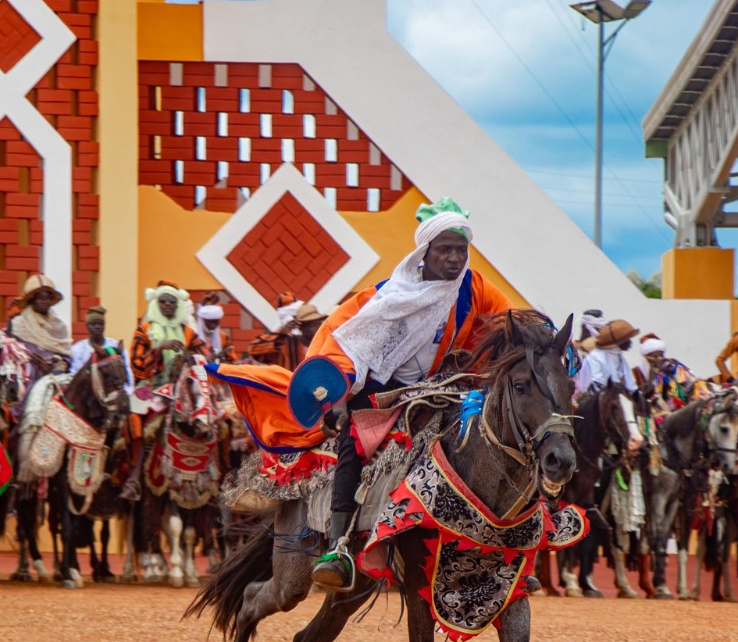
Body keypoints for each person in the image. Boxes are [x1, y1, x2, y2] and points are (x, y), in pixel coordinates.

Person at [213, 197, 514, 590]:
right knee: (355, 444)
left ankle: (493, 545)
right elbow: (342, 338)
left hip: (437, 390)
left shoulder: (474, 289)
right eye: (445, 249)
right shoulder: (387, 295)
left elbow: (509, 323)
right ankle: (338, 547)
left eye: (461, 249)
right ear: (424, 252)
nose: (455, 258)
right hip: (379, 391)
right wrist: (336, 397)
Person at [131, 284, 196, 387]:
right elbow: (136, 366)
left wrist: (190, 356)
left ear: (177, 305)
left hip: (183, 384)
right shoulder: (144, 330)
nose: (167, 304)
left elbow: (203, 355)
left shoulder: (187, 331)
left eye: (172, 301)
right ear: (156, 304)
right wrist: (159, 349)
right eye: (163, 301)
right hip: (152, 385)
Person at [9, 273, 72, 369]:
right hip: (25, 373)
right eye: (40, 298)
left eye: (48, 298)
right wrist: (28, 355)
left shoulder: (60, 327)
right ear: (32, 300)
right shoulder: (18, 324)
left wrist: (55, 364)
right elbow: (10, 350)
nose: (45, 301)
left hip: (53, 374)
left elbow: (67, 357)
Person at [70, 305, 134, 387]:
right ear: (87, 326)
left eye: (100, 324)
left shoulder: (114, 346)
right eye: (93, 324)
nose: (97, 327)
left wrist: (126, 391)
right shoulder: (78, 349)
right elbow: (76, 374)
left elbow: (127, 372)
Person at [574, 319, 640, 397]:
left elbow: (630, 383)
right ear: (618, 342)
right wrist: (616, 387)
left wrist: (636, 395)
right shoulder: (596, 357)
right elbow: (597, 383)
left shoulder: (619, 357)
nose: (630, 343)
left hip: (612, 395)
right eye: (627, 339)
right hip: (591, 397)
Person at [192, 294, 228, 361]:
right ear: (202, 321)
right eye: (210, 322)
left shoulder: (224, 337)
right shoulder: (192, 337)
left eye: (215, 322)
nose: (213, 325)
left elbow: (233, 360)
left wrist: (224, 358)